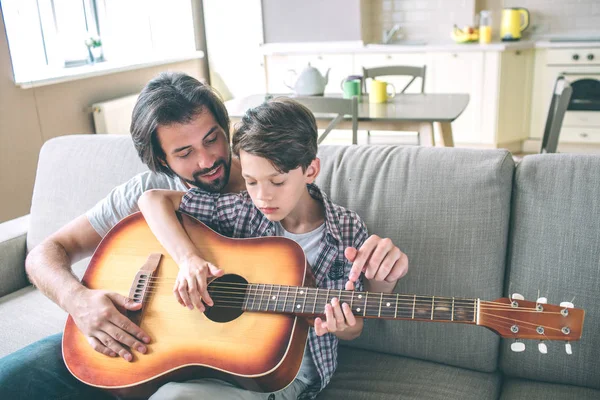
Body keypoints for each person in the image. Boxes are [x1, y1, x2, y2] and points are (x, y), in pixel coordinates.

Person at [0, 72, 408, 399]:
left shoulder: (268, 191)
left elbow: (349, 306)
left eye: (212, 138)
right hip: (131, 338)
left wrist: (376, 287)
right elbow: (45, 253)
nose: (208, 159)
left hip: (223, 369)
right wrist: (80, 301)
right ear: (161, 160)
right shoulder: (160, 192)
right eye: (184, 153)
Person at [139, 97, 397, 399]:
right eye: (251, 181)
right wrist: (188, 259)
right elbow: (152, 200)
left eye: (277, 182)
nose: (263, 197)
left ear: (311, 170)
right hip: (225, 355)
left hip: (288, 375)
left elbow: (355, 326)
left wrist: (341, 325)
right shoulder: (241, 209)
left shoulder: (347, 230)